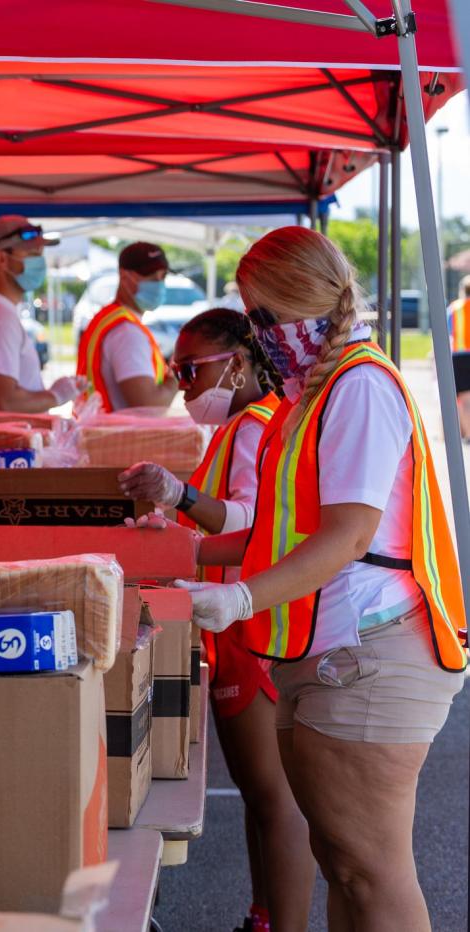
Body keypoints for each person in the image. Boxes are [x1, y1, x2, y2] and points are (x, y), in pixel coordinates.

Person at [184, 227, 466, 932]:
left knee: (369, 871)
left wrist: (240, 596)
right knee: (344, 862)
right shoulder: (312, 396)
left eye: (263, 318)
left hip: (372, 652)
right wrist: (183, 563)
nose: (258, 335)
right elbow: (282, 529)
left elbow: (349, 534)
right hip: (332, 651)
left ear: (304, 303)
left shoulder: (359, 387)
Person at [119, 309, 314, 932]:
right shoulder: (239, 428)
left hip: (253, 624)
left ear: (236, 360)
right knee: (260, 796)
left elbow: (256, 528)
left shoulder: (258, 427)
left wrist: (180, 508)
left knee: (274, 796)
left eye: (190, 369)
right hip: (232, 622)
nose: (180, 384)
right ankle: (263, 916)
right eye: (175, 370)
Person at [0, 216, 80, 415]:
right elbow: (3, 402)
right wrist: (56, 396)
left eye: (40, 254)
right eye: (32, 254)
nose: (40, 263)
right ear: (1, 258)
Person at [76, 242, 178, 412]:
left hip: (100, 431)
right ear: (124, 277)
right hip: (117, 435)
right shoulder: (127, 333)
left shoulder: (108, 318)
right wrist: (176, 377)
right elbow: (148, 406)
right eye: (151, 277)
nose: (159, 284)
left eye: (163, 277)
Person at [445, 276, 470, 439]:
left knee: (463, 397)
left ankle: (466, 431)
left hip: (459, 356)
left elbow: (447, 332)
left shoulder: (454, 308)